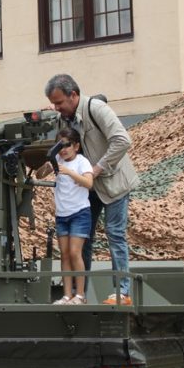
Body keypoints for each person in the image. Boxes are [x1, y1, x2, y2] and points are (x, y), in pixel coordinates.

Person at [44, 74, 140, 306]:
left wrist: (96, 169)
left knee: (115, 234)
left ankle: (122, 292)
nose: (56, 108)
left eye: (59, 102)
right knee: (83, 240)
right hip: (86, 189)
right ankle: (80, 294)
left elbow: (122, 140)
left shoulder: (96, 109)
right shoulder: (63, 120)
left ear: (73, 95)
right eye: (53, 103)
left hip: (113, 183)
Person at [37, 128, 93, 305]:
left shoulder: (82, 161)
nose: (63, 149)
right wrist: (48, 164)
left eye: (67, 145)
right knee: (65, 254)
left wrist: (69, 172)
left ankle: (80, 295)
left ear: (76, 146)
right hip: (62, 214)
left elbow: (89, 183)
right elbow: (39, 174)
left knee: (75, 253)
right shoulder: (58, 160)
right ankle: (67, 295)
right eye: (60, 146)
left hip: (80, 213)